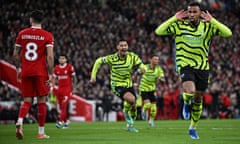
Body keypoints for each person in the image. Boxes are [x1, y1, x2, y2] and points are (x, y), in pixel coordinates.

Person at [155, 2, 232, 139]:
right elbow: (159, 31)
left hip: (202, 67)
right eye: (189, 12)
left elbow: (228, 33)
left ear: (200, 13)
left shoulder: (207, 26)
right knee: (190, 91)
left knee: (198, 99)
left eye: (194, 12)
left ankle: (192, 127)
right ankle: (186, 102)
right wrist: (174, 18)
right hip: (185, 64)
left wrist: (213, 20)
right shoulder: (179, 25)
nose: (191, 15)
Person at [13, 10, 54, 140]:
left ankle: (20, 121)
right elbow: (50, 57)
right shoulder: (47, 36)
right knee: (42, 100)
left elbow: (15, 54)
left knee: (27, 101)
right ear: (42, 21)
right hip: (40, 72)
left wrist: (19, 69)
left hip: (26, 71)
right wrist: (51, 74)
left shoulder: (22, 34)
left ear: (31, 20)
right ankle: (41, 132)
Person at [90, 40, 146, 132]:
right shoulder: (112, 58)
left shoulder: (132, 56)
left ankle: (130, 124)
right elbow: (98, 61)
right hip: (117, 85)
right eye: (121, 46)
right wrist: (93, 76)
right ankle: (128, 120)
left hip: (128, 84)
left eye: (125, 45)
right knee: (131, 99)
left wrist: (142, 68)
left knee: (134, 106)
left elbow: (140, 64)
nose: (124, 47)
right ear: (118, 48)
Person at [138, 54, 165, 127]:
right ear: (151, 60)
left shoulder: (159, 69)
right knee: (147, 104)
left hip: (152, 90)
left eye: (157, 60)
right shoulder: (145, 67)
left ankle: (151, 120)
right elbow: (138, 72)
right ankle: (143, 110)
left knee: (153, 108)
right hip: (143, 88)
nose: (157, 61)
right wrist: (140, 71)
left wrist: (160, 78)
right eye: (155, 59)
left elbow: (163, 78)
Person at [52, 54, 77, 129]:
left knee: (63, 106)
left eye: (63, 58)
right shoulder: (56, 68)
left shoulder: (69, 67)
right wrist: (52, 87)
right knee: (61, 106)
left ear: (66, 60)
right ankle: (66, 122)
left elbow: (74, 78)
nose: (61, 60)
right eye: (60, 58)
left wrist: (74, 88)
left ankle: (60, 121)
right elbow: (54, 78)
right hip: (60, 90)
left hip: (67, 90)